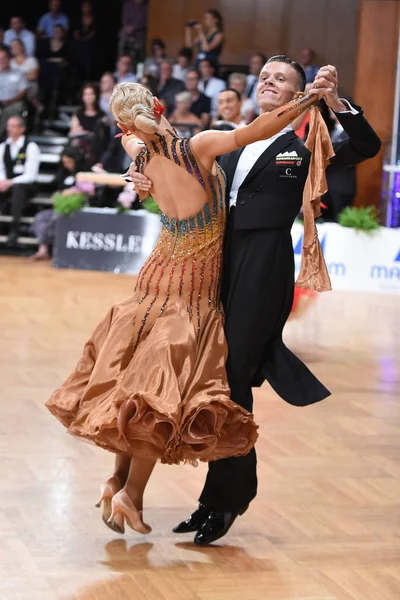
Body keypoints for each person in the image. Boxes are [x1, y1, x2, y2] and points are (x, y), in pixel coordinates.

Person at [46, 80, 326, 536]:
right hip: (190, 293)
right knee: (160, 399)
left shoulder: (141, 154)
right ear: (158, 108)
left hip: (152, 280)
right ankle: (129, 496)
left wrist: (136, 136)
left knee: (134, 388)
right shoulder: (197, 147)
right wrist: (307, 100)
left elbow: (133, 134)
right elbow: (258, 130)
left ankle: (116, 481)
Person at [130, 56, 382, 545]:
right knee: (209, 377)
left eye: (280, 79)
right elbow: (179, 185)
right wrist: (144, 184)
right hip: (213, 262)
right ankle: (217, 498)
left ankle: (227, 498)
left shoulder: (306, 144)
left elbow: (367, 146)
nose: (269, 82)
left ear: (294, 94)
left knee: (233, 375)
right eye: (264, 75)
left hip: (263, 266)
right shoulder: (226, 140)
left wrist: (333, 103)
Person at [0, 116, 40, 246]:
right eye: (8, 126)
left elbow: (31, 175)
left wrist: (10, 182)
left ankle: (14, 228)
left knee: (19, 188)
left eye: (13, 126)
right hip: (6, 184)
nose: (9, 129)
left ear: (22, 129)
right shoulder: (3, 146)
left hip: (27, 186)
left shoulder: (31, 147)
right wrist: (3, 181)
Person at [69, 83, 110, 164]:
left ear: (96, 95)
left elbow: (103, 136)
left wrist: (85, 133)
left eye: (91, 94)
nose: (89, 97)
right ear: (82, 96)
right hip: (81, 148)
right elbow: (73, 132)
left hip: (97, 149)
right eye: (86, 94)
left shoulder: (102, 115)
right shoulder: (78, 113)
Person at [0, 47, 28, 139]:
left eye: (4, 58)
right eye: (0, 58)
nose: (2, 60)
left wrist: (10, 100)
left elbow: (23, 91)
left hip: (14, 102)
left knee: (8, 110)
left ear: (9, 59)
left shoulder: (18, 73)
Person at [10, 39, 41, 112]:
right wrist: (25, 75)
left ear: (22, 47)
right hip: (13, 87)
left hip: (29, 85)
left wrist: (15, 77)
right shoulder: (10, 62)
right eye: (12, 47)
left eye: (16, 45)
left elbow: (33, 76)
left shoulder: (32, 60)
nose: (14, 48)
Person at [118, 0, 148, 66]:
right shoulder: (128, 4)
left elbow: (146, 22)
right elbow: (125, 19)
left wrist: (134, 28)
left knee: (137, 59)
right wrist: (128, 29)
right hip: (126, 35)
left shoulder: (146, 6)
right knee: (122, 47)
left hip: (139, 37)